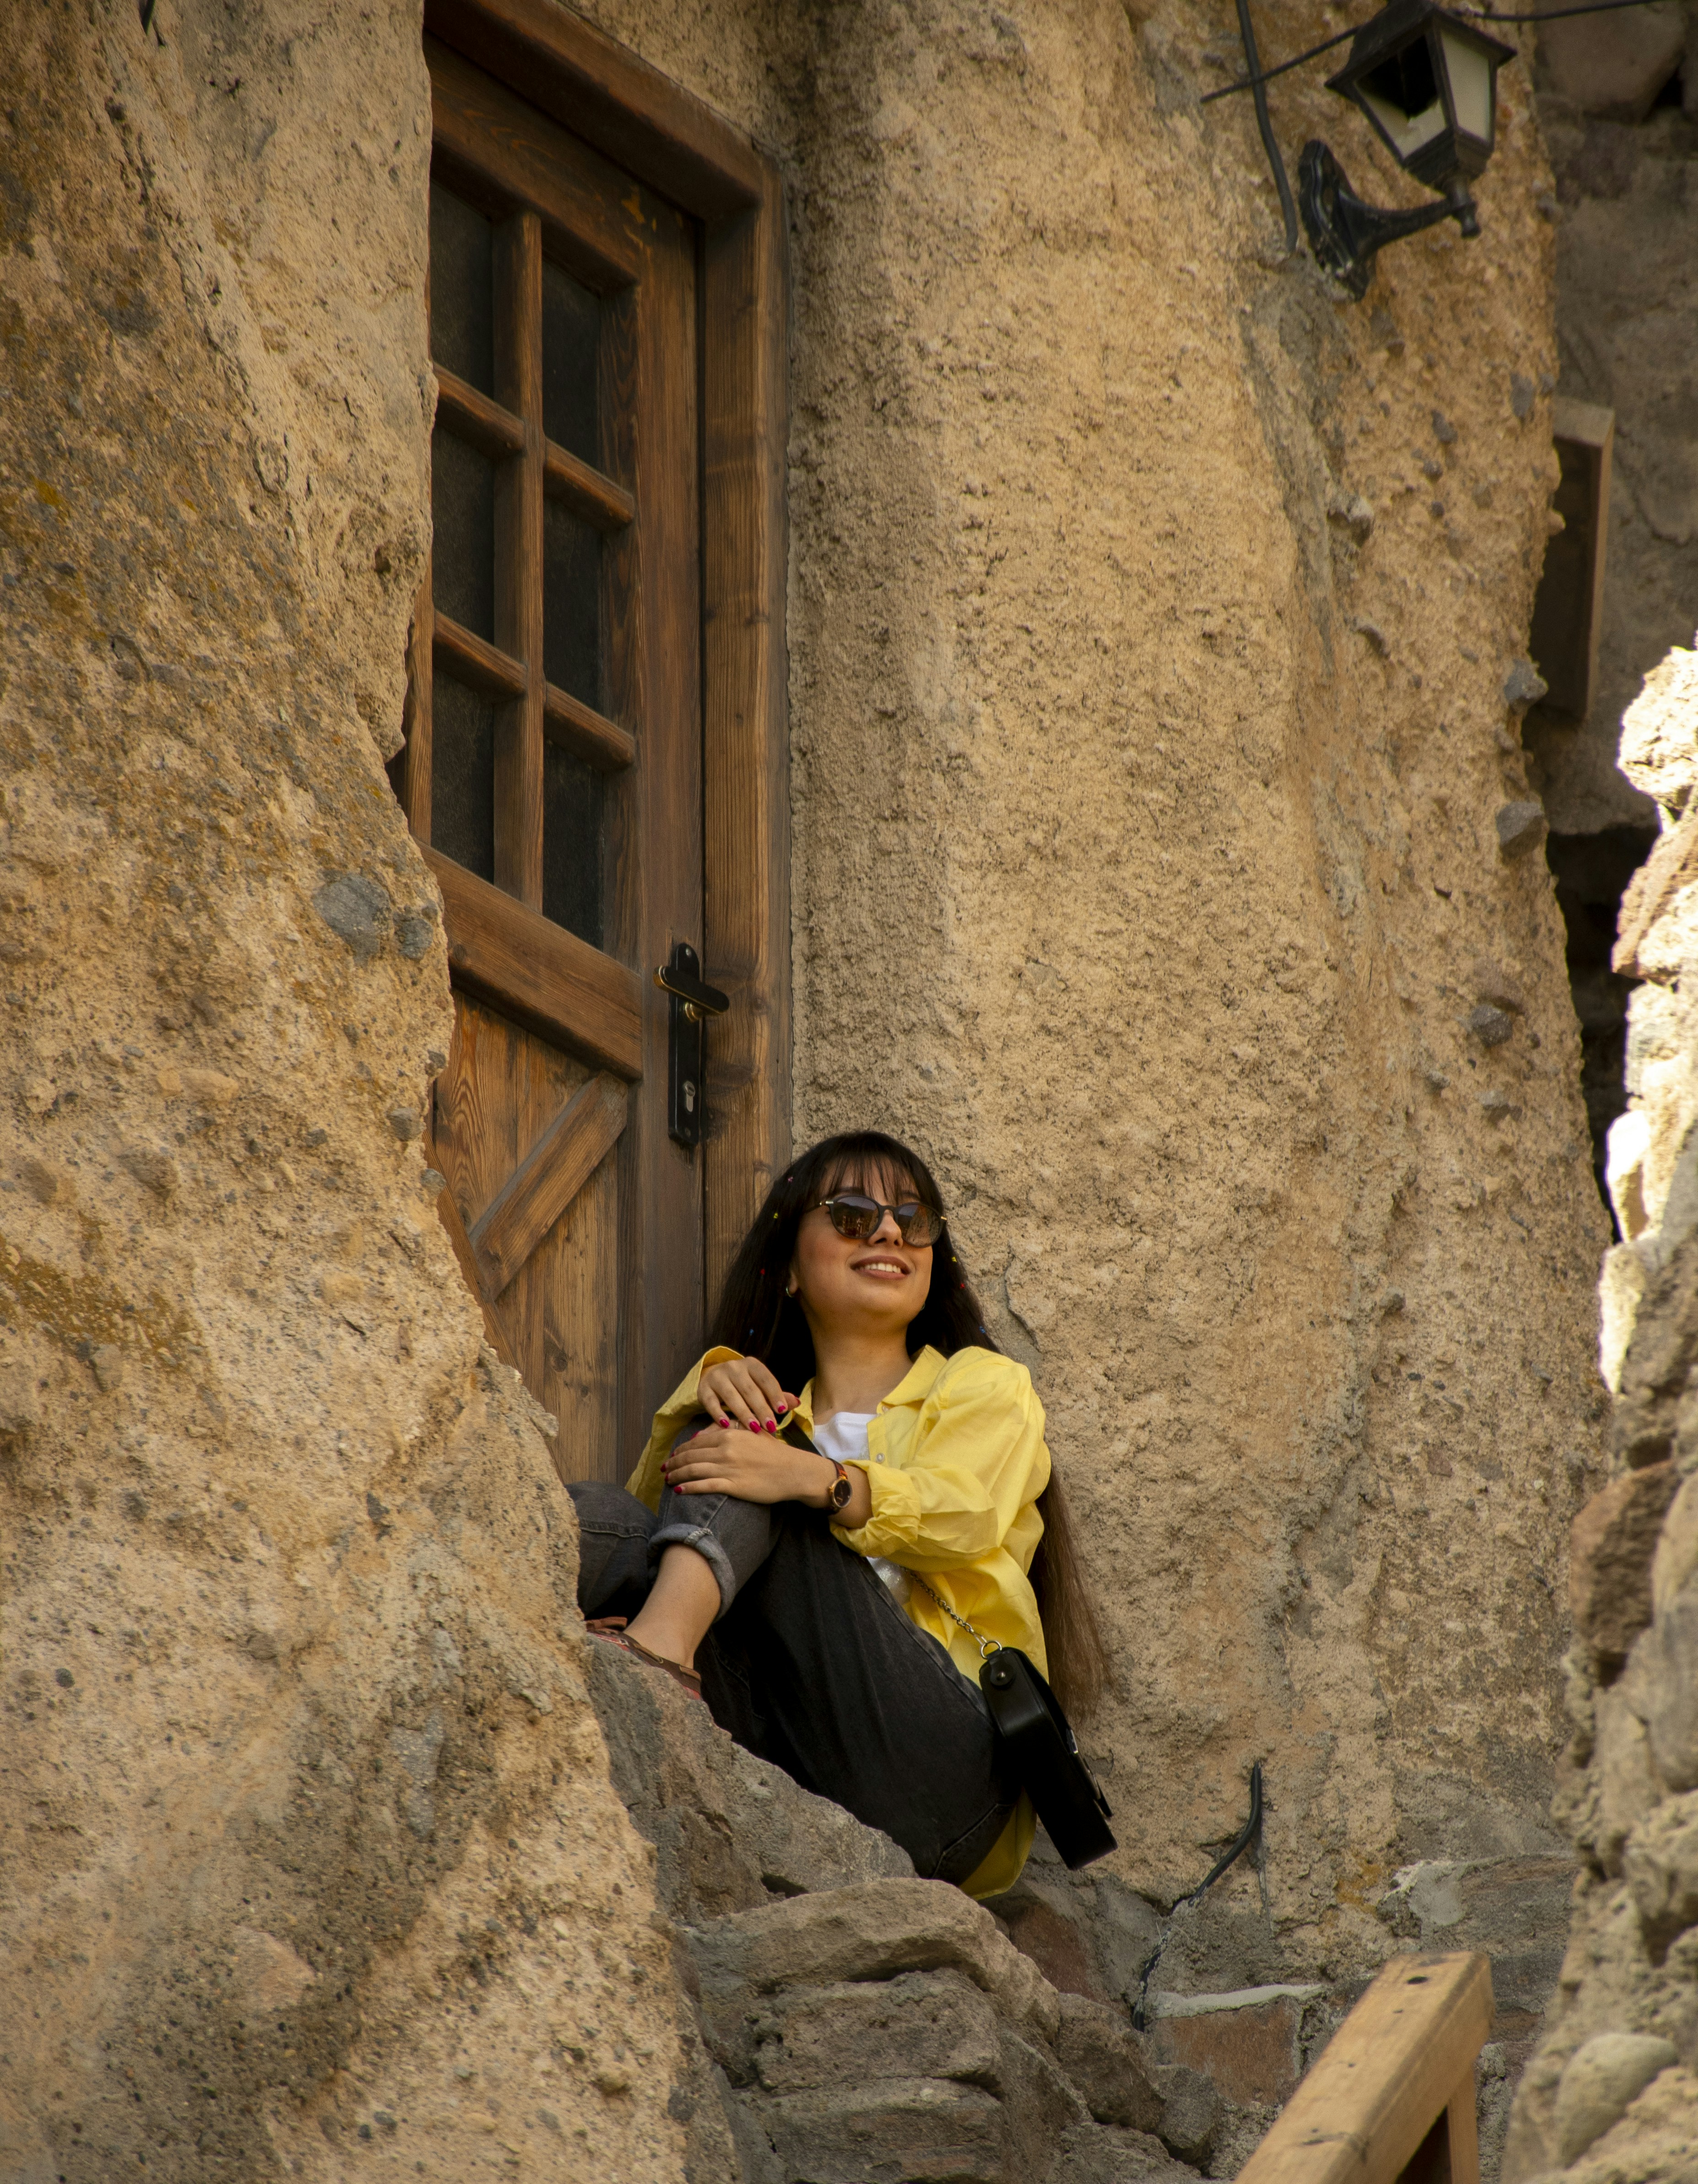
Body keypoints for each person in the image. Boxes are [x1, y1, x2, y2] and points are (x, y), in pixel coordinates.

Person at [566, 1130, 1107, 1900]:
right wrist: (714, 1381)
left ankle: (652, 1662)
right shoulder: (766, 1406)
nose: (889, 1231)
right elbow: (662, 1526)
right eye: (853, 1214)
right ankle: (500, 1554)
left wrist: (810, 1476)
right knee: (612, 1511)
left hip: (944, 1774)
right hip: (798, 1746)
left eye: (914, 1220)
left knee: (744, 1447)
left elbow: (966, 1512)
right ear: (789, 1264)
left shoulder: (983, 1384)